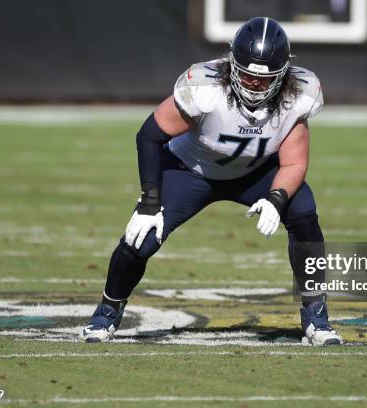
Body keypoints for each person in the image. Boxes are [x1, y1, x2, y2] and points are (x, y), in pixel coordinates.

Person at [79, 17, 342, 346]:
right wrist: (149, 202)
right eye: (247, 74)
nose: (254, 85)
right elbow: (149, 136)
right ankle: (107, 311)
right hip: (190, 170)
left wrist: (276, 198)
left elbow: (294, 161)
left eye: (265, 79)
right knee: (141, 239)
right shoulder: (205, 87)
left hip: (255, 173)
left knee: (303, 210)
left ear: (283, 74)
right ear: (232, 63)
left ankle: (316, 316)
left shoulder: (300, 93)